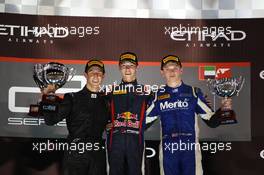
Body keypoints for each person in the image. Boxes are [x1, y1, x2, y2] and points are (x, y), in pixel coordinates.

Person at [146, 55, 232, 175]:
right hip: (168, 151)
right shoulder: (157, 96)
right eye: (167, 68)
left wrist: (223, 110)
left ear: (181, 70)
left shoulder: (194, 93)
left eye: (175, 67)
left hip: (191, 149)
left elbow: (212, 122)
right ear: (162, 72)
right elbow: (142, 124)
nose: (171, 71)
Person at [42, 59, 109, 175]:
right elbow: (50, 120)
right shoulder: (72, 98)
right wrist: (48, 96)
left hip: (97, 156)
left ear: (103, 76)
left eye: (99, 72)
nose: (95, 75)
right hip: (74, 155)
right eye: (92, 71)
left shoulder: (107, 101)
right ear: (85, 75)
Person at [106, 52, 150, 175]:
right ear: (119, 67)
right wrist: (106, 123)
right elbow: (99, 110)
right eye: (124, 65)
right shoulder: (111, 91)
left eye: (131, 65)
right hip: (115, 141)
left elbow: (157, 110)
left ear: (137, 67)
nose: (127, 68)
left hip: (136, 140)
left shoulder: (146, 92)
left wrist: (142, 126)